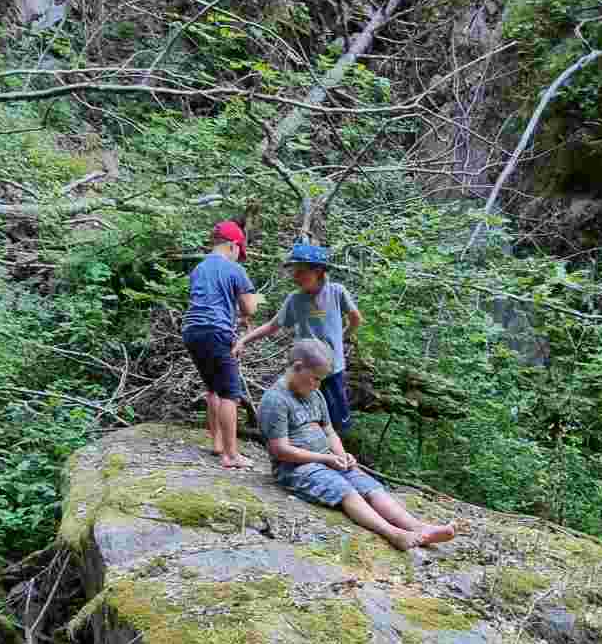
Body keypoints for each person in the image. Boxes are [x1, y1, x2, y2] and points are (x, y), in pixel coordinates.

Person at [256, 341, 456, 552]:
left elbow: (329, 431)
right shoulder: (276, 400)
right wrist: (325, 459)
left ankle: (419, 528)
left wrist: (342, 456)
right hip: (295, 468)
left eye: (321, 380)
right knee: (344, 489)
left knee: (369, 486)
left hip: (326, 458)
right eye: (315, 378)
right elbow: (280, 450)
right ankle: (394, 534)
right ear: (298, 367)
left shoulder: (315, 395)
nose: (318, 385)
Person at [237, 240, 361, 434]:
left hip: (331, 370)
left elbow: (356, 318)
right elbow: (272, 326)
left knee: (336, 421)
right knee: (305, 415)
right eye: (294, 271)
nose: (295, 277)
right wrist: (243, 340)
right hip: (304, 371)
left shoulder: (336, 292)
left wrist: (342, 337)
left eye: (300, 271)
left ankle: (335, 450)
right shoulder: (295, 299)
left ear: (318, 271)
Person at [182, 219, 258, 469]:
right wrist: (245, 307)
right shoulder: (234, 269)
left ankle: (217, 444)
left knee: (213, 388)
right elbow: (250, 307)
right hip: (216, 331)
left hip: (192, 331)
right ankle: (231, 455)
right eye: (239, 252)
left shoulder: (198, 269)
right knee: (229, 394)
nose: (238, 257)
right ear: (233, 246)